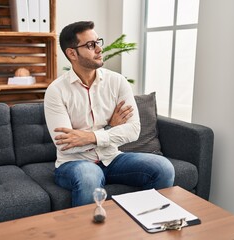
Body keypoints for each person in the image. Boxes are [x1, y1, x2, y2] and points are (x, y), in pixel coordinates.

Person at [44, 21, 174, 207]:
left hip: (113, 158)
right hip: (74, 164)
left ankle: (145, 226)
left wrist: (88, 136)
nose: (99, 49)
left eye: (98, 42)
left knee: (163, 168)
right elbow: (67, 146)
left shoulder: (117, 81)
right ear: (72, 53)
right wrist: (110, 128)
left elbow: (133, 130)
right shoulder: (56, 91)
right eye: (90, 45)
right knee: (89, 177)